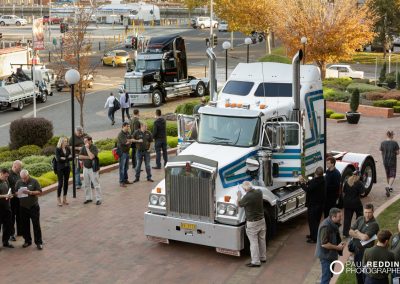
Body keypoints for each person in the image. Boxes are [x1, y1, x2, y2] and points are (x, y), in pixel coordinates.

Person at [237, 181, 266, 267]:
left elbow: (239, 204)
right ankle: (263, 257)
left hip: (252, 222)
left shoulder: (247, 196)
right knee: (262, 239)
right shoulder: (259, 192)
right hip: (262, 220)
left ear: (245, 189)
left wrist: (239, 196)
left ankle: (256, 262)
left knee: (253, 242)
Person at [349, 203, 380, 284]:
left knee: (365, 274)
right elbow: (350, 231)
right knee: (358, 272)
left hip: (366, 252)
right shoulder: (360, 219)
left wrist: (357, 232)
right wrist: (359, 235)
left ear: (373, 212)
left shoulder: (374, 224)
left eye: (369, 212)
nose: (367, 214)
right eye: (365, 212)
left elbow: (365, 238)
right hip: (357, 251)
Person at [315, 208, 345, 284]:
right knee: (326, 278)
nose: (341, 218)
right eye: (339, 217)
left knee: (329, 276)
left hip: (331, 255)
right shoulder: (325, 226)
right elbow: (324, 244)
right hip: (326, 256)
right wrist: (337, 247)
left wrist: (340, 243)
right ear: (333, 217)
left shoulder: (333, 224)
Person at [15, 169, 43, 250]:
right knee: (25, 225)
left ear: (28, 175)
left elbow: (40, 192)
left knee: (36, 224)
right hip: (23, 207)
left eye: (25, 178)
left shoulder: (34, 181)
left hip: (33, 206)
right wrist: (18, 193)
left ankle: (39, 242)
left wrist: (30, 192)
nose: (23, 180)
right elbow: (15, 192)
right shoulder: (18, 182)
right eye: (22, 178)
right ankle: (27, 241)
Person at [299, 166, 326, 244]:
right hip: (320, 205)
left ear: (315, 173)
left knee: (312, 221)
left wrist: (301, 183)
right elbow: (311, 183)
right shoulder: (323, 180)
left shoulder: (316, 182)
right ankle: (313, 235)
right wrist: (305, 181)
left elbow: (308, 189)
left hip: (313, 205)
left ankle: (314, 238)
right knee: (316, 221)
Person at [79, 136, 102, 205]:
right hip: (85, 168)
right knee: (86, 184)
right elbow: (79, 157)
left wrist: (87, 149)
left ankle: (98, 199)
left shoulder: (94, 147)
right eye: (84, 141)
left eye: (86, 141)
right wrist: (88, 157)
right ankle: (88, 198)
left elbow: (92, 157)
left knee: (96, 184)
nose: (84, 142)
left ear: (90, 141)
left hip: (93, 169)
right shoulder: (83, 147)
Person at [342, 170, 364, 238]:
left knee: (347, 218)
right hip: (356, 203)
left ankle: (345, 233)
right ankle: (358, 230)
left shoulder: (347, 182)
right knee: (360, 217)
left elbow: (344, 191)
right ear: (358, 175)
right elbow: (362, 193)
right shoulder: (359, 183)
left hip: (347, 202)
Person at [379, 130, 399, 197]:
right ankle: (389, 186)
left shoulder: (382, 143)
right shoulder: (395, 143)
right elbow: (397, 152)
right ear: (392, 135)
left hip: (385, 161)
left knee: (388, 175)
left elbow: (381, 152)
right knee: (392, 175)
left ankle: (389, 188)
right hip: (392, 161)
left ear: (387, 135)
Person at [8, 160, 22, 241]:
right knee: (11, 217)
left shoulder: (19, 174)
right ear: (15, 166)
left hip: (19, 198)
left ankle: (20, 231)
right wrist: (14, 193)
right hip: (12, 199)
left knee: (19, 215)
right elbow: (8, 187)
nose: (20, 169)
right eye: (20, 167)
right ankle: (11, 234)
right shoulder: (9, 175)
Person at [55, 137, 72, 206]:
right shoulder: (58, 149)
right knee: (60, 183)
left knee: (66, 183)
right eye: (64, 141)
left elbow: (71, 157)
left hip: (67, 167)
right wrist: (67, 158)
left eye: (66, 141)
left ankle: (64, 198)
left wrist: (64, 158)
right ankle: (59, 199)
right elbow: (58, 159)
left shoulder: (68, 148)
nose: (66, 142)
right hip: (60, 168)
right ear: (61, 142)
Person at [117, 122, 135, 187]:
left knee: (126, 167)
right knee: (122, 168)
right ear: (123, 126)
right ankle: (121, 182)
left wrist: (130, 140)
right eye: (127, 126)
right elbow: (126, 142)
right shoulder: (120, 134)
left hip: (127, 152)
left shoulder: (127, 133)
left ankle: (125, 179)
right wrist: (130, 140)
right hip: (122, 153)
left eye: (129, 126)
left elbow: (131, 139)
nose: (128, 128)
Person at [0, 168, 14, 248]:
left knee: (7, 225)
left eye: (7, 177)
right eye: (5, 176)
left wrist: (10, 195)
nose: (6, 178)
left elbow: (8, 190)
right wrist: (4, 196)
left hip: (7, 207)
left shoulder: (6, 181)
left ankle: (6, 242)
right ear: (1, 173)